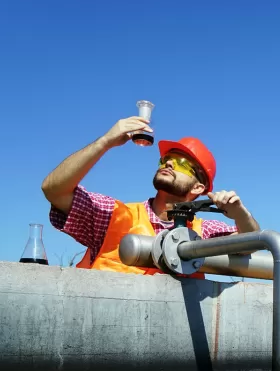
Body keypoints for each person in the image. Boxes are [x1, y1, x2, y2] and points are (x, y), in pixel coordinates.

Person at [41, 115, 260, 274]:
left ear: (198, 188)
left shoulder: (204, 232)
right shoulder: (113, 215)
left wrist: (240, 213)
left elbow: (250, 243)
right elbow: (54, 190)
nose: (170, 163)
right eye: (165, 160)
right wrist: (104, 142)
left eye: (182, 164)